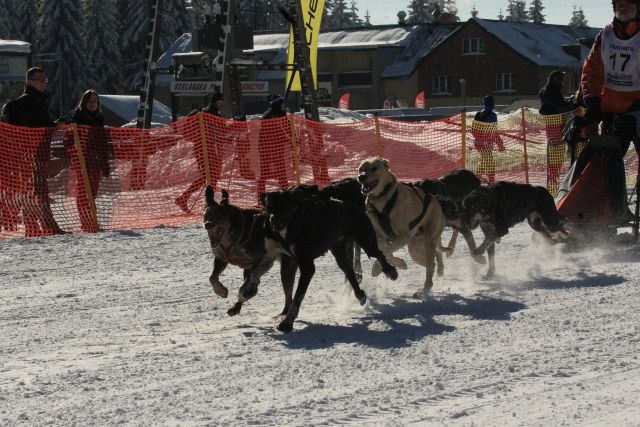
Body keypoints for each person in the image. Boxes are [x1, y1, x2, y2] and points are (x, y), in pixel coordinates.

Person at [580, 0, 640, 225]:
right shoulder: (604, 36)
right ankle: (613, 213)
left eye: (629, 3)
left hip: (637, 109)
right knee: (605, 162)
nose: (623, 7)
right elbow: (591, 71)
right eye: (619, 3)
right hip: (611, 110)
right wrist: (593, 101)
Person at [1, 66, 65, 236]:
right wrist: (55, 126)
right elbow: (35, 128)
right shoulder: (30, 102)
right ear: (29, 81)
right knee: (36, 192)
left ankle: (36, 226)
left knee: (32, 192)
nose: (43, 83)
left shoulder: (35, 102)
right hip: (31, 155)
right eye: (40, 80)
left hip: (27, 155)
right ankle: (39, 226)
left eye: (45, 80)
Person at [69, 89, 113, 232]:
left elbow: (102, 141)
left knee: (93, 191)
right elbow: (70, 139)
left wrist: (104, 163)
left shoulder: (99, 117)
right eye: (90, 101)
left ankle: (91, 219)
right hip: (83, 159)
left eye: (95, 101)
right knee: (84, 191)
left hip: (96, 160)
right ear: (84, 102)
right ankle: (84, 220)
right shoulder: (78, 116)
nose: (93, 104)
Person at [175, 91, 226, 213]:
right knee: (208, 176)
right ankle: (190, 199)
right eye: (219, 102)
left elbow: (223, 132)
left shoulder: (216, 115)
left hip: (213, 149)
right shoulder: (205, 114)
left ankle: (203, 201)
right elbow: (189, 132)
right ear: (214, 102)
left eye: (222, 102)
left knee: (212, 177)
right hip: (203, 149)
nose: (221, 105)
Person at [538, 70, 578, 195]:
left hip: (552, 126)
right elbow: (561, 107)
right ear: (555, 80)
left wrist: (568, 101)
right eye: (561, 80)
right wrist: (573, 102)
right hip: (556, 126)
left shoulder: (545, 89)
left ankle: (553, 183)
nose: (562, 83)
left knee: (556, 157)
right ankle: (554, 185)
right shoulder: (552, 91)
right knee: (557, 156)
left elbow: (557, 103)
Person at [257, 94, 290, 201]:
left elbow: (287, 129)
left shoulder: (280, 114)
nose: (284, 106)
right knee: (265, 174)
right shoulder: (270, 116)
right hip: (268, 149)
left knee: (281, 172)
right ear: (278, 104)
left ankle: (285, 194)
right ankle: (260, 197)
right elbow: (267, 133)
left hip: (276, 148)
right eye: (282, 104)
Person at [471, 95, 505, 184]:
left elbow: (473, 130)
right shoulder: (492, 115)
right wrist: (500, 144)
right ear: (492, 104)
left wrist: (480, 138)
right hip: (486, 143)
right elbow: (494, 132)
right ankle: (491, 182)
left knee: (485, 161)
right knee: (490, 162)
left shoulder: (478, 114)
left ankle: (477, 178)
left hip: (478, 143)